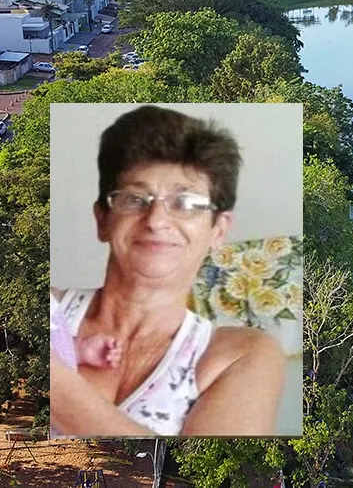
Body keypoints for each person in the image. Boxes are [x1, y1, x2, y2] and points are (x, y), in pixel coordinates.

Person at [51, 106, 285, 437]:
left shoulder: (242, 355)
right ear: (103, 219)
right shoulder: (48, 310)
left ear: (218, 229)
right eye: (134, 199)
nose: (157, 221)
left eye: (187, 203)